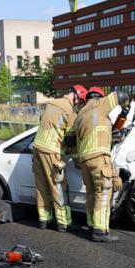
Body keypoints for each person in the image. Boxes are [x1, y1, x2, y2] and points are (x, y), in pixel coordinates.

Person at [75, 87, 130, 243]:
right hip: (99, 156)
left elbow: (73, 141)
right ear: (99, 96)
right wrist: (127, 106)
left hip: (85, 160)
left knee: (91, 193)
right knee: (103, 194)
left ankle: (92, 225)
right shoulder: (100, 104)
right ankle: (100, 231)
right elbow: (121, 95)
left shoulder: (80, 115)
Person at [32, 85, 88, 232]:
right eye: (79, 102)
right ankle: (64, 222)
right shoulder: (69, 112)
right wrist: (77, 160)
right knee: (58, 187)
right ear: (76, 97)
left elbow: (41, 122)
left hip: (37, 148)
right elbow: (70, 141)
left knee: (41, 185)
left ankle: (44, 220)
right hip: (52, 151)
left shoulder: (51, 103)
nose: (78, 105)